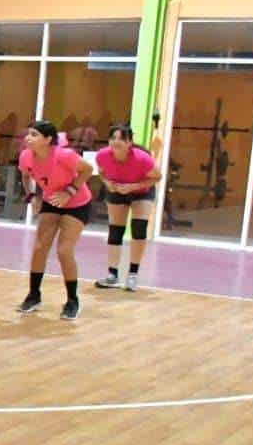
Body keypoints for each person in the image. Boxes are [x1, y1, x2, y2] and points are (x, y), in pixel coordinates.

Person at [17, 119, 94, 320]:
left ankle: (72, 300)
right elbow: (26, 176)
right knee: (40, 247)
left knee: (64, 251)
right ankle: (34, 295)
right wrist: (31, 196)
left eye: (34, 135)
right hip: (52, 201)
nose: (28, 138)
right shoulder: (26, 156)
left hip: (77, 203)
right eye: (28, 133)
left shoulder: (63, 155)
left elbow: (87, 170)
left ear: (48, 139)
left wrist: (69, 191)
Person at [93, 125, 159, 292]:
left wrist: (133, 187)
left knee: (139, 229)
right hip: (117, 190)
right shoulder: (102, 155)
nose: (116, 142)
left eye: (121, 139)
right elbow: (101, 173)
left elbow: (157, 177)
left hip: (142, 191)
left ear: (129, 142)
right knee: (115, 230)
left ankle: (133, 275)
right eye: (113, 138)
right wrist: (108, 183)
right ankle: (112, 275)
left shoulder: (142, 158)